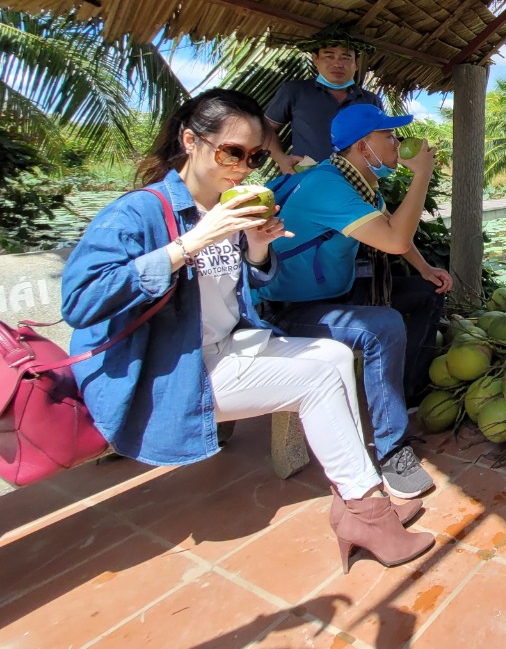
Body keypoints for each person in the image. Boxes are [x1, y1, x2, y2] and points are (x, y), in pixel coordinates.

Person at [61, 89, 435, 573]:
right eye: (230, 152)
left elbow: (243, 289)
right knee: (320, 376)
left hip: (225, 347)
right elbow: (81, 300)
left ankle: (355, 502)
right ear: (191, 141)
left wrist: (257, 247)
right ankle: (368, 512)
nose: (242, 167)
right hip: (171, 368)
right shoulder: (140, 212)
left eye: (255, 157)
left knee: (335, 358)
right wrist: (191, 243)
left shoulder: (230, 205)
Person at [257, 104, 451, 500]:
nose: (397, 143)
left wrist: (426, 268)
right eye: (390, 137)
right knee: (384, 327)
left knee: (426, 293)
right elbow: (395, 238)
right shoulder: (328, 186)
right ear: (365, 147)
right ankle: (392, 451)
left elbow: (394, 235)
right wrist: (423, 176)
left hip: (337, 293)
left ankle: (402, 394)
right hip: (293, 309)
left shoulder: (360, 181)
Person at [265, 25, 384, 173]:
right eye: (329, 56)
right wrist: (281, 159)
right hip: (306, 182)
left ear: (357, 64)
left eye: (345, 57)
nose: (337, 64)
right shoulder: (295, 91)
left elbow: (382, 141)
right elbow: (265, 128)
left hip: (356, 184)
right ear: (315, 59)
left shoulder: (371, 101)